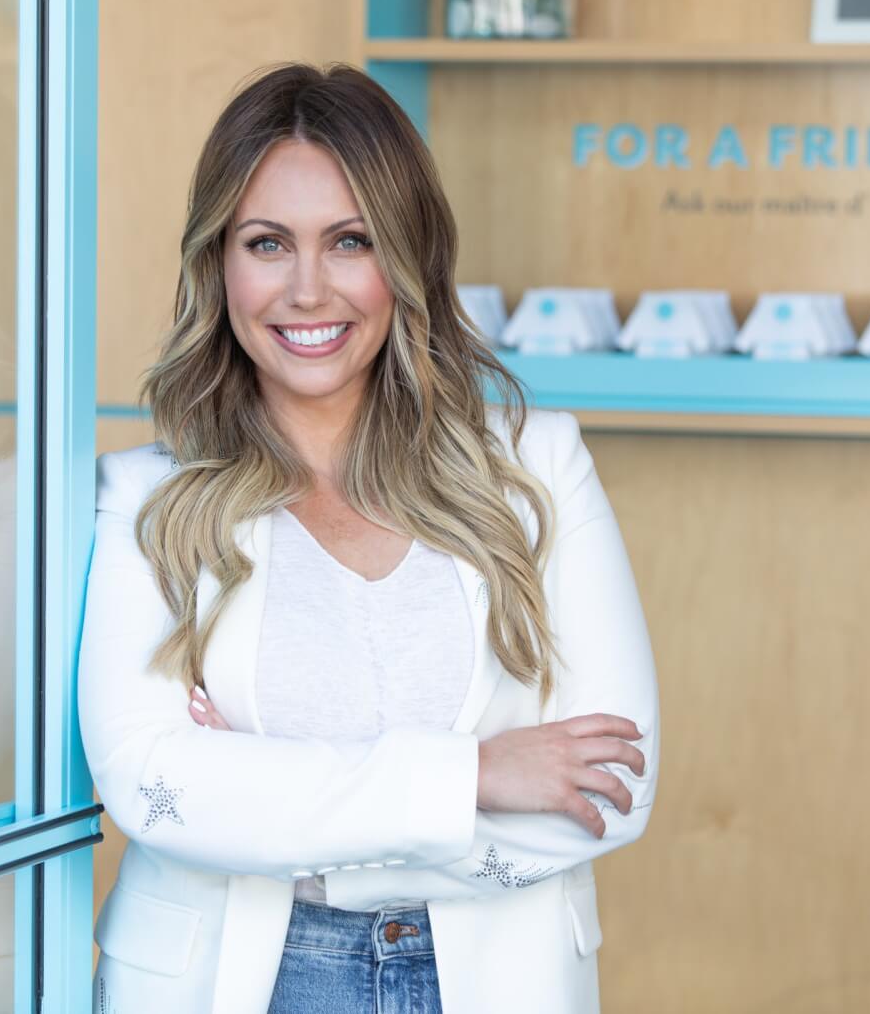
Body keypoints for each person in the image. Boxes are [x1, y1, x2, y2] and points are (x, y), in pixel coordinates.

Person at [78, 62, 659, 1014]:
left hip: (497, 980)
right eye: (268, 243)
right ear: (218, 263)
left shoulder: (537, 467)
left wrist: (286, 815)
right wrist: (478, 774)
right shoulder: (146, 500)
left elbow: (615, 787)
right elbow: (156, 788)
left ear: (407, 257)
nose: (307, 290)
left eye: (349, 241)